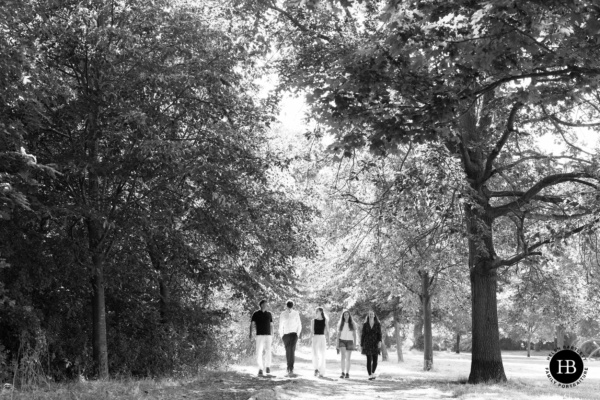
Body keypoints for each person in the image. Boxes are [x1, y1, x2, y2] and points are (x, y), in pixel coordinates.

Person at [249, 299, 274, 376]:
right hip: (259, 335)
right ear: (262, 305)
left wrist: (272, 334)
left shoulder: (269, 314)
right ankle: (260, 368)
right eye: (266, 304)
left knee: (268, 351)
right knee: (258, 351)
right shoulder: (256, 314)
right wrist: (250, 333)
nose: (267, 305)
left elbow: (272, 325)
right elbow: (252, 324)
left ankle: (268, 366)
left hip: (268, 335)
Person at [279, 300, 302, 376]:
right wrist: (282, 335)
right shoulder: (282, 314)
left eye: (290, 307)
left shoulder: (296, 314)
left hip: (293, 334)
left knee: (292, 350)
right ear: (286, 306)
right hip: (285, 335)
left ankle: (291, 368)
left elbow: (299, 325)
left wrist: (297, 335)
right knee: (287, 350)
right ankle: (288, 366)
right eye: (288, 307)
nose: (289, 308)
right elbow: (280, 325)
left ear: (292, 306)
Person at [361, 309, 382, 380]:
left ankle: (373, 373)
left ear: (374, 315)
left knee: (375, 360)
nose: (371, 315)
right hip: (367, 343)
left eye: (372, 314)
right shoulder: (365, 324)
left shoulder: (378, 324)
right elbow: (363, 335)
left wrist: (380, 342)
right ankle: (369, 375)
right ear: (368, 315)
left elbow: (380, 334)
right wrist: (361, 344)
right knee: (369, 359)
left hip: (375, 343)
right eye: (370, 314)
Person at [336, 310, 358, 379]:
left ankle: (347, 373)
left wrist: (355, 344)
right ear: (343, 316)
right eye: (345, 315)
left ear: (349, 315)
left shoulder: (352, 323)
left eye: (347, 314)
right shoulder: (340, 324)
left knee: (348, 358)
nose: (346, 316)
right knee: (343, 356)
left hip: (350, 341)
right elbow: (338, 335)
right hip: (342, 341)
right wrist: (337, 344)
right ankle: (342, 372)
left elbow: (354, 335)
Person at [311, 307, 329, 377]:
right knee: (315, 354)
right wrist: (310, 339)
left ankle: (321, 371)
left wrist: (329, 341)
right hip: (315, 337)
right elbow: (312, 331)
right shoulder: (313, 321)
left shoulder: (325, 320)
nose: (317, 312)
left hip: (322, 337)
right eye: (316, 311)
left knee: (323, 354)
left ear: (321, 311)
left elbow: (328, 331)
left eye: (318, 311)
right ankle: (316, 369)